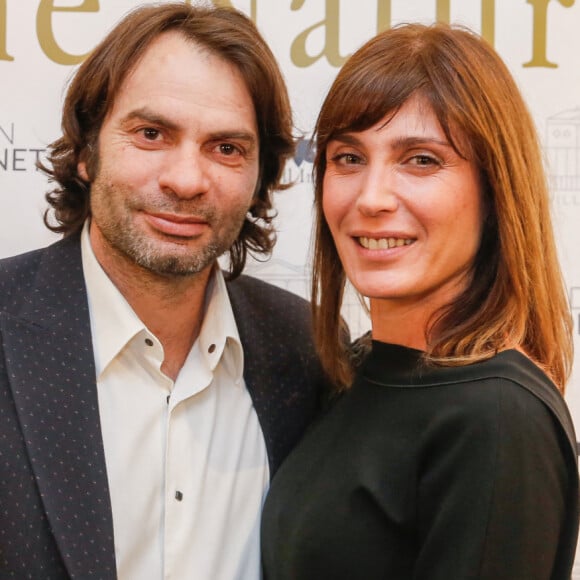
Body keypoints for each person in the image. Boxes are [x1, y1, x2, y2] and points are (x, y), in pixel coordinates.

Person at [0, 4, 328, 579]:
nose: (186, 179)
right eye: (151, 134)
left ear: (260, 176)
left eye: (226, 148)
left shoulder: (305, 349)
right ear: (86, 149)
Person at [261, 22, 579, 579]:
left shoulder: (495, 417)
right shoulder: (360, 367)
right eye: (349, 158)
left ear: (494, 191)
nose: (372, 197)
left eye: (421, 160)